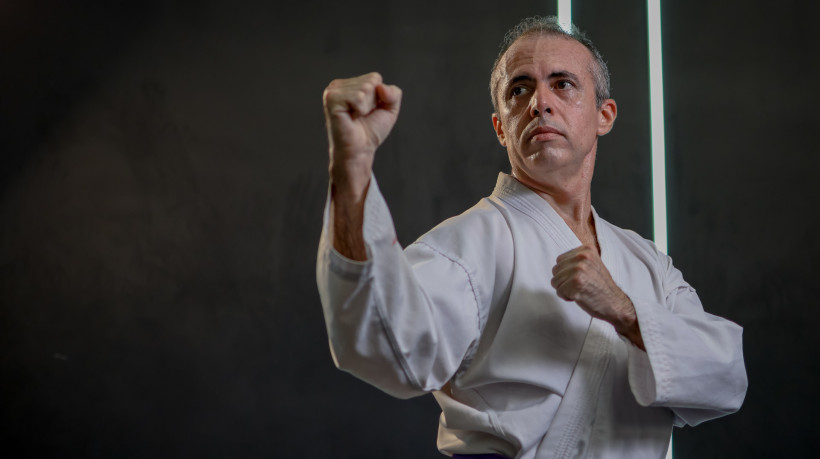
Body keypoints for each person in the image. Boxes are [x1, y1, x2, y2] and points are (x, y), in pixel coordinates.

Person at [316, 15, 747, 459]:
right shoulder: (468, 244)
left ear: (604, 115)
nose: (540, 102)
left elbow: (725, 377)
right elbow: (384, 345)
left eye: (562, 84)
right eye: (519, 89)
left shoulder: (646, 264)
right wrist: (351, 168)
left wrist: (625, 311)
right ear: (501, 127)